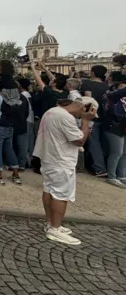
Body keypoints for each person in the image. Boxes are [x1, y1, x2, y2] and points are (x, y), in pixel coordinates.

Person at [34, 97, 95, 245]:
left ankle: (50, 223)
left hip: (49, 157)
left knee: (49, 189)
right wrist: (86, 122)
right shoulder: (66, 118)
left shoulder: (52, 111)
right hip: (61, 160)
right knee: (61, 195)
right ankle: (54, 228)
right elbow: (79, 140)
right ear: (84, 108)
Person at [81, 65, 109, 177]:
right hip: (106, 117)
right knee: (101, 143)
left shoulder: (87, 84)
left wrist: (87, 117)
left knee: (94, 143)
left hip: (93, 117)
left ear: (92, 73)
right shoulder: (107, 86)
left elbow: (89, 100)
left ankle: (100, 168)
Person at [103, 74, 126, 188]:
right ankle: (111, 176)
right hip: (114, 127)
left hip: (122, 127)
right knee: (116, 152)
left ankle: (122, 175)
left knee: (124, 153)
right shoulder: (112, 97)